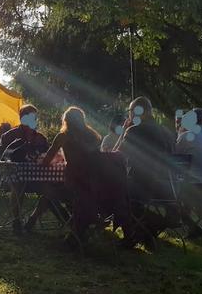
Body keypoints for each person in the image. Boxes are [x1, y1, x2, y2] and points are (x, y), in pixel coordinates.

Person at [24, 107, 102, 238]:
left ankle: (33, 221)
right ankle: (36, 221)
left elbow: (46, 160)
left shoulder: (63, 136)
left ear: (66, 121)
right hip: (94, 184)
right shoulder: (93, 136)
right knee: (51, 191)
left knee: (48, 192)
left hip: (75, 183)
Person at [115, 96, 175, 246]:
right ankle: (147, 230)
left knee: (114, 190)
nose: (129, 114)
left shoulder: (134, 131)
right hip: (169, 188)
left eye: (130, 111)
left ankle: (133, 235)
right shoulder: (166, 132)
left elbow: (116, 156)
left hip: (143, 186)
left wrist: (124, 131)